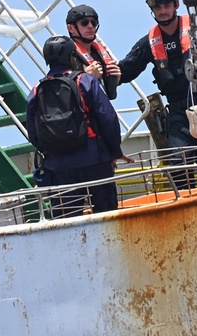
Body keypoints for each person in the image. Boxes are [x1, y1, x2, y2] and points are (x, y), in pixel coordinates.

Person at [118, 0, 197, 188]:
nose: (162, 11)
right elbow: (125, 71)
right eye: (157, 7)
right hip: (177, 109)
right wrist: (99, 74)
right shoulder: (148, 42)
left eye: (166, 6)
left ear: (176, 5)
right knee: (178, 161)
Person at [27, 35, 126, 217]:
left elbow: (33, 133)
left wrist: (51, 152)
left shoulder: (36, 90)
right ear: (72, 57)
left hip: (58, 166)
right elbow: (108, 118)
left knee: (67, 222)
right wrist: (114, 151)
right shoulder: (85, 81)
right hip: (94, 158)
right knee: (107, 216)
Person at [65, 5, 121, 99]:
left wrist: (116, 79)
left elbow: (107, 93)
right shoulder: (65, 54)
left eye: (94, 22)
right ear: (71, 28)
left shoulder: (100, 52)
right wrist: (85, 77)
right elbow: (61, 91)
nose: (90, 26)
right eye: (84, 23)